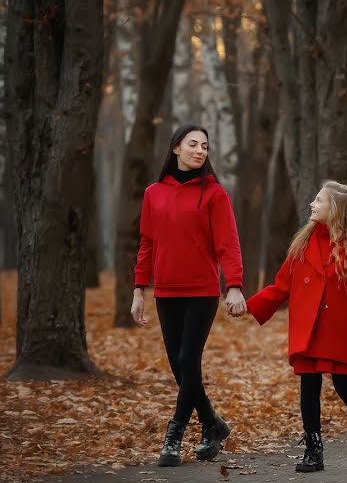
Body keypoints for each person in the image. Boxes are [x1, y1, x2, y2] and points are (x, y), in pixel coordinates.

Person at [243, 181, 347, 473]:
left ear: (336, 210)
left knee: (344, 385)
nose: (312, 205)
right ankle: (313, 451)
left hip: (337, 328)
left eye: (318, 200)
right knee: (309, 386)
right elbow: (281, 286)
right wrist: (250, 305)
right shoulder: (302, 244)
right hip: (308, 327)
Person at [131, 124, 246, 467]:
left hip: (202, 289)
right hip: (166, 290)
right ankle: (212, 424)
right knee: (179, 368)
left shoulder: (214, 194)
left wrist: (235, 285)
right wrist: (139, 290)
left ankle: (174, 435)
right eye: (192, 144)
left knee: (188, 359)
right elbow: (147, 244)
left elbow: (228, 243)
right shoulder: (153, 192)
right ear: (176, 149)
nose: (200, 150)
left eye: (205, 146)